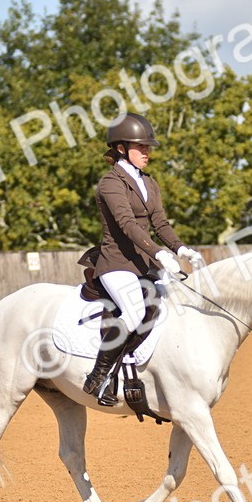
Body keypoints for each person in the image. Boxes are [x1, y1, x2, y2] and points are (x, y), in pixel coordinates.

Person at [79, 113, 204, 406]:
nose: (148, 152)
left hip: (144, 264)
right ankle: (99, 377)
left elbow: (160, 223)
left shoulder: (149, 182)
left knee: (179, 302)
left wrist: (180, 248)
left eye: (148, 147)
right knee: (134, 313)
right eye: (141, 147)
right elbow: (127, 224)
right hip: (117, 263)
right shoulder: (110, 183)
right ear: (121, 148)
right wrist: (159, 253)